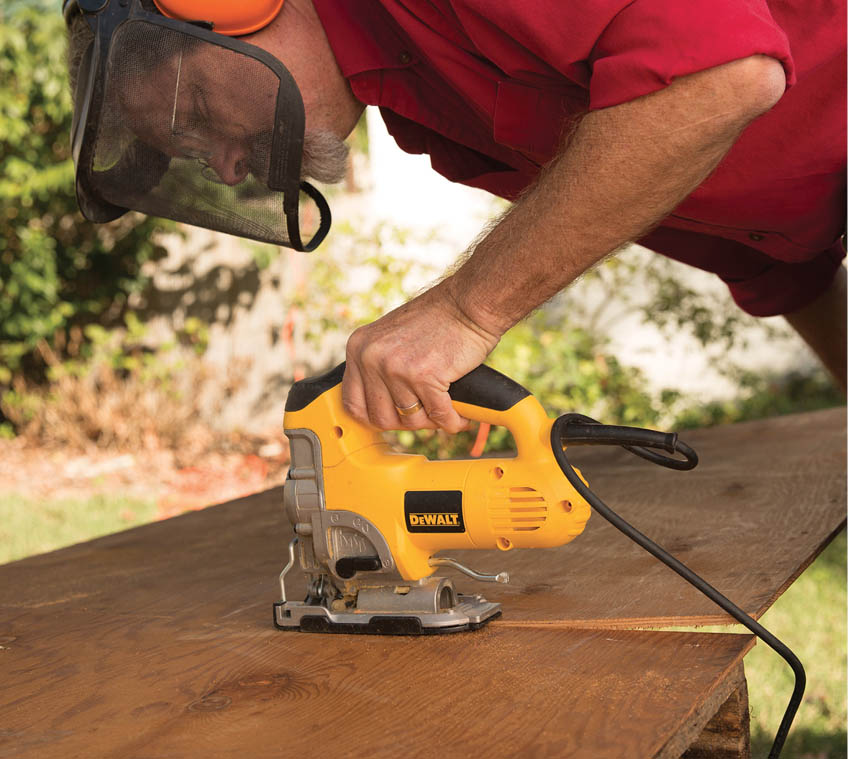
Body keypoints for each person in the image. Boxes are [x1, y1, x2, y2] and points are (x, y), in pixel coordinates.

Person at [65, 0, 846, 432]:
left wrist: (466, 308)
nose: (231, 166)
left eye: (196, 111)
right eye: (196, 156)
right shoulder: (431, 118)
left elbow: (723, 76)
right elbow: (778, 262)